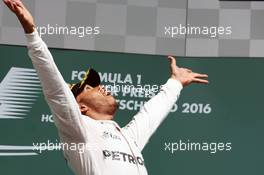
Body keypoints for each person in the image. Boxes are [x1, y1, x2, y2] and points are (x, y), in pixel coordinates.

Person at [3, 0, 209, 175]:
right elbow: (55, 89)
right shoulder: (79, 131)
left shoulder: (128, 137)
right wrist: (32, 33)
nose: (99, 86)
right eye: (89, 87)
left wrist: (175, 82)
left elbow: (150, 114)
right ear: (80, 108)